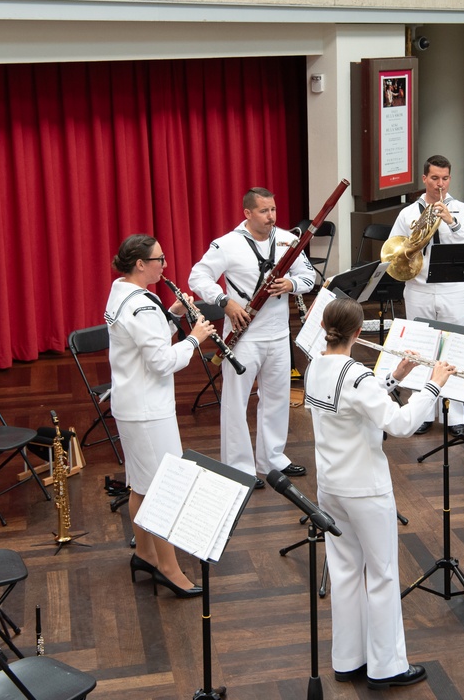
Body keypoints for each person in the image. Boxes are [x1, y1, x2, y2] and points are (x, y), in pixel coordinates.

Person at [304, 297, 455, 690]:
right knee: (384, 574)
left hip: (331, 487)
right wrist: (432, 386)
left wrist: (392, 377)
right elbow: (401, 424)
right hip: (366, 490)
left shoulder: (313, 366)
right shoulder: (357, 375)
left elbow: (350, 406)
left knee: (346, 571)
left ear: (325, 327)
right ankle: (387, 667)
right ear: (359, 333)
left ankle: (348, 660)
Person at [105, 234, 214, 598]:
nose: (165, 266)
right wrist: (195, 338)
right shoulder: (142, 306)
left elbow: (146, 340)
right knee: (165, 488)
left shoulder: (121, 292)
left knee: (140, 483)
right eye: (160, 259)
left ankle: (146, 554)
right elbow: (161, 361)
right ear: (140, 264)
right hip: (149, 411)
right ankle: (170, 569)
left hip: (131, 405)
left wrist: (175, 315)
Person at [189, 187, 315, 488]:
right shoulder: (227, 244)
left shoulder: (288, 240)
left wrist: (291, 283)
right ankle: (239, 466)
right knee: (236, 402)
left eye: (273, 209)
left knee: (276, 398)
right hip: (243, 335)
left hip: (278, 333)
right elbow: (198, 276)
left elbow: (310, 277)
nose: (271, 216)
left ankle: (271, 458)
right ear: (247, 213)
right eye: (263, 211)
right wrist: (224, 302)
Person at [388, 154, 464, 433]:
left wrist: (451, 221)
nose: (440, 184)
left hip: (453, 288)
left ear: (449, 179)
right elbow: (395, 249)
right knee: (421, 350)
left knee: (455, 351)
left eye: (445, 178)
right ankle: (424, 413)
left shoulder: (461, 209)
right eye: (434, 178)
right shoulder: (408, 213)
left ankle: (456, 416)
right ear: (424, 179)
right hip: (419, 287)